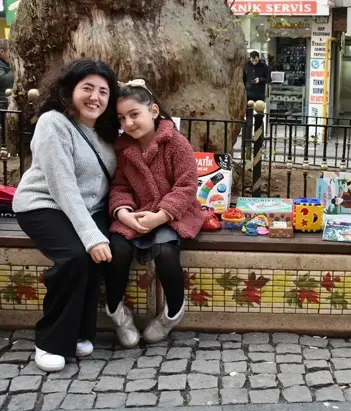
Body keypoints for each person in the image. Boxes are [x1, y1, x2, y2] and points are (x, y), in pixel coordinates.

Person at [12, 59, 119, 372]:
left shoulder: (104, 133)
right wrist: (90, 236)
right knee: (74, 256)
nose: (95, 97)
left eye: (103, 91)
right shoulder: (52, 123)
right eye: (87, 88)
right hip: (43, 205)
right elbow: (63, 187)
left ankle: (80, 333)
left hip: (87, 209)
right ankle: (50, 341)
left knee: (102, 257)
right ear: (69, 89)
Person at [105, 79, 203, 346]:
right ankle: (116, 312)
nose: (128, 123)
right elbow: (121, 185)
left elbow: (186, 186)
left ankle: (172, 312)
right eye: (122, 118)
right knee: (117, 251)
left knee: (166, 252)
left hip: (173, 213)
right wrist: (123, 213)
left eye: (134, 114)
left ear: (154, 111)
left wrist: (161, 215)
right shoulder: (124, 148)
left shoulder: (176, 143)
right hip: (135, 213)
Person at [0, 39, 15, 109]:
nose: (12, 55)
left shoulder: (5, 62)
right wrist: (16, 69)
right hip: (2, 104)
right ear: (2, 52)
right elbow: (3, 79)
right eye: (10, 52)